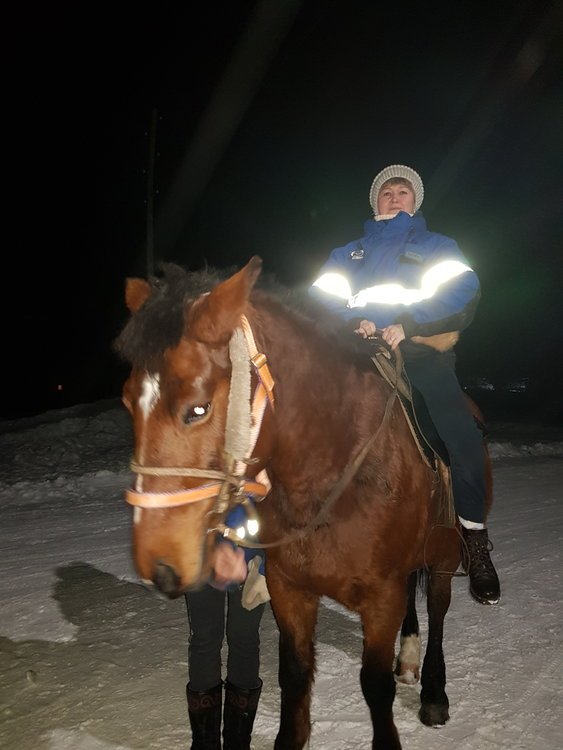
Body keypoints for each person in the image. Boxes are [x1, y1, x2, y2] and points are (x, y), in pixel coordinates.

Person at [309, 163, 501, 606]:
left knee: (460, 432)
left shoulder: (437, 247)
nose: (394, 197)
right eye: (387, 192)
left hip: (418, 353)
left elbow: (462, 295)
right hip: (355, 353)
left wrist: (408, 324)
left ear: (415, 202)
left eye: (403, 191)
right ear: (374, 201)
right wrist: (352, 321)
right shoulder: (347, 254)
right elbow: (318, 299)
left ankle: (473, 536)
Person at [185, 502, 269, 750]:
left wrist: (265, 563)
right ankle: (204, 743)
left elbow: (282, 502)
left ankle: (238, 742)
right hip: (199, 546)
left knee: (243, 638)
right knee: (205, 639)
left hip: (252, 553)